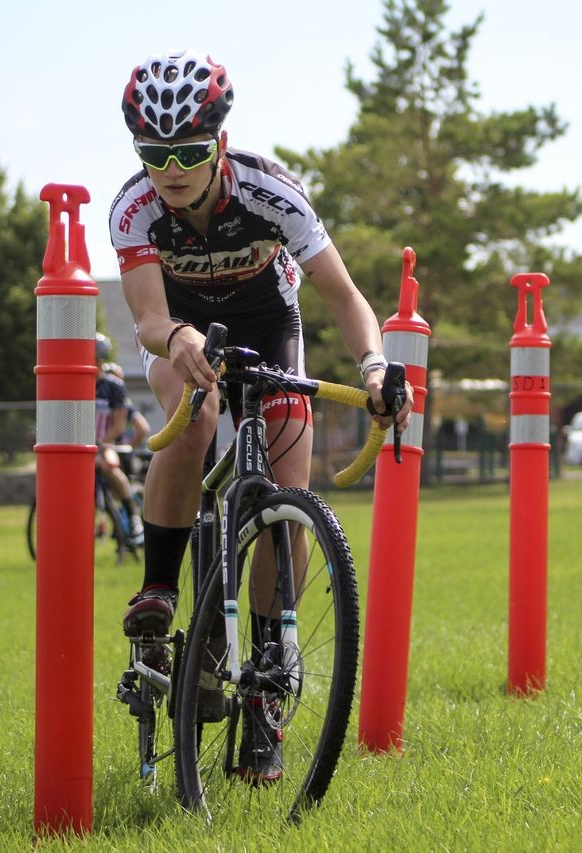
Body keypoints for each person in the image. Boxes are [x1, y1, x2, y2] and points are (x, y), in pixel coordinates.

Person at [109, 50, 413, 783]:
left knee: (287, 477)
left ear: (217, 142)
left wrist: (373, 365)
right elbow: (148, 318)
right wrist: (179, 339)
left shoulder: (271, 191)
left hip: (268, 320)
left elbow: (342, 295)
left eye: (186, 151)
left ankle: (273, 658)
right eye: (154, 153)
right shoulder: (133, 207)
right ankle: (158, 587)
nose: (170, 168)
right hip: (182, 332)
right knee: (197, 409)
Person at [94, 334, 145, 547]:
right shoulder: (75, 382)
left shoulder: (113, 386)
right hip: (80, 446)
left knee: (111, 466)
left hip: (104, 443)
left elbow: (119, 425)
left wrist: (100, 442)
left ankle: (132, 513)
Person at [103, 360, 153, 479]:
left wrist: (128, 447)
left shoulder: (124, 405)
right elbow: (143, 428)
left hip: (114, 452)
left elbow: (143, 428)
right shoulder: (123, 403)